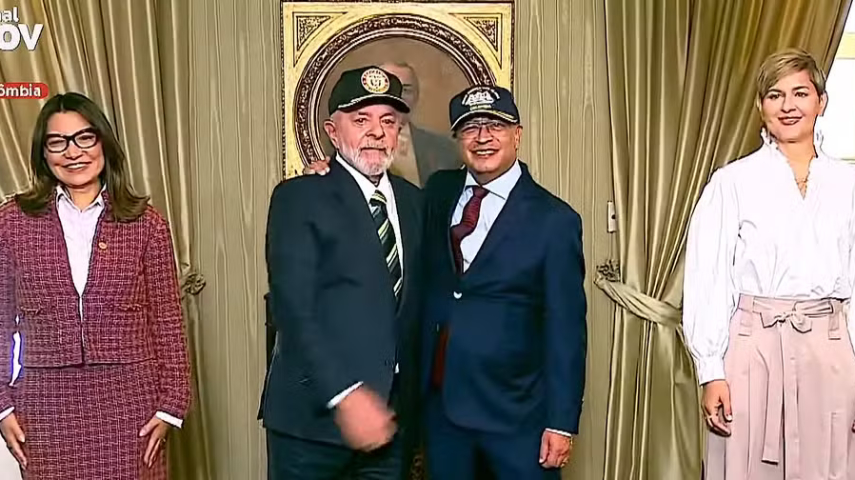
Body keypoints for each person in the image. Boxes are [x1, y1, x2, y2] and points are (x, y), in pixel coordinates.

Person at [683, 48, 855, 480]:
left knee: (831, 465)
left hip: (831, 351)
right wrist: (711, 371)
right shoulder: (731, 183)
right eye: (775, 95)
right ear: (761, 107)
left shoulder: (848, 184)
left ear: (821, 101)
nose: (788, 105)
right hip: (752, 350)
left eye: (801, 93)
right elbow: (708, 280)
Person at [0, 92, 191, 479]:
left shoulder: (145, 223)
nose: (73, 152)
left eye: (84, 138)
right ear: (43, 154)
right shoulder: (12, 223)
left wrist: (172, 405)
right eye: (57, 142)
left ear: (103, 142)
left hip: (132, 406)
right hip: (46, 408)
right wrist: (2, 406)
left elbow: (168, 322)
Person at [261, 66, 423, 480]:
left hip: (389, 426)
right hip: (309, 427)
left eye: (388, 121)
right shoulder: (300, 196)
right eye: (361, 119)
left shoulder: (415, 202)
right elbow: (292, 309)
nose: (377, 132)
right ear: (333, 133)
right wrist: (347, 397)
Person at [419, 85, 587, 480]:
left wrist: (561, 422)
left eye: (495, 125)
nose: (483, 137)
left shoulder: (554, 220)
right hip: (443, 411)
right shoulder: (437, 193)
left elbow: (566, 328)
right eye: (470, 127)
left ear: (517, 134)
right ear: (457, 139)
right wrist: (328, 176)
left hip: (519, 416)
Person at [378, 61, 461, 186]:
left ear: (416, 96)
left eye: (406, 90)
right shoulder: (353, 145)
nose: (398, 97)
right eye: (389, 89)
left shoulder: (445, 149)